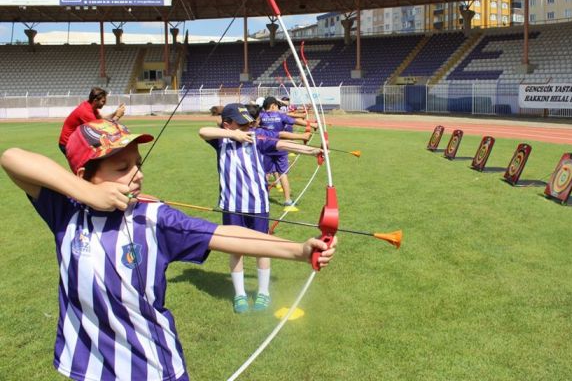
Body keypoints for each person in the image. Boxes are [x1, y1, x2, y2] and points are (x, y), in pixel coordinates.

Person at [0, 119, 335, 381]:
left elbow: (224, 235)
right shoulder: (67, 211)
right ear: (84, 176)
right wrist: (87, 195)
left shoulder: (153, 217)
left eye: (137, 164)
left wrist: (299, 250)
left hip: (154, 367)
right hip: (89, 368)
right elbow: (11, 158)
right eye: (122, 168)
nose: (137, 174)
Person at [199, 103, 322, 314]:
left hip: (257, 203)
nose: (248, 128)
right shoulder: (221, 141)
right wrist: (234, 136)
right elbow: (203, 131)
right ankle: (240, 294)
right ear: (227, 125)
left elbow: (283, 145)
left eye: (249, 124)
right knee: (235, 249)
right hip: (231, 205)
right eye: (242, 124)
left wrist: (313, 150)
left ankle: (263, 292)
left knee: (262, 246)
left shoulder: (258, 139)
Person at [259, 97, 316, 207]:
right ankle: (288, 200)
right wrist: (311, 125)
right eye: (276, 106)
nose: (278, 108)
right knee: (283, 174)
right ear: (273, 106)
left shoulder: (260, 116)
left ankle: (262, 199)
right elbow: (295, 121)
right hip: (281, 148)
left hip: (265, 148)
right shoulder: (280, 115)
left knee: (265, 174)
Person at [58, 87, 126, 154]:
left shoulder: (90, 106)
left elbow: (101, 119)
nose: (104, 103)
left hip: (74, 141)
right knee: (90, 162)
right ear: (95, 100)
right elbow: (101, 130)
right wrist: (117, 116)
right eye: (103, 101)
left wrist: (115, 113)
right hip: (67, 144)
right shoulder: (85, 112)